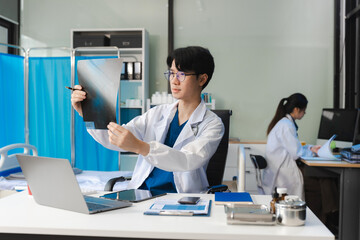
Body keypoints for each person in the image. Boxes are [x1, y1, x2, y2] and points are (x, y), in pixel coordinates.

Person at [71, 46, 224, 194]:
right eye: (171, 73)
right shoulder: (157, 113)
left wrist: (141, 147)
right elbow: (117, 138)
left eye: (182, 74)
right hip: (141, 193)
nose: (174, 81)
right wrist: (89, 112)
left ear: (202, 79)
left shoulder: (212, 124)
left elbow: (188, 160)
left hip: (179, 197)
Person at [262, 93, 321, 200]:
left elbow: (294, 147)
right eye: (304, 110)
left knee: (322, 182)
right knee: (321, 184)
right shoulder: (286, 125)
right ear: (296, 109)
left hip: (280, 169)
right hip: (282, 174)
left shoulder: (284, 123)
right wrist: (314, 152)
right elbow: (296, 153)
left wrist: (310, 148)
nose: (304, 113)